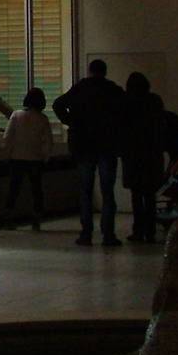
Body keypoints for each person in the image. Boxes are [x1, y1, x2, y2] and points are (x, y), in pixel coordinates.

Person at [53, 58, 126, 247]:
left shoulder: (80, 88)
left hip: (83, 145)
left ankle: (86, 234)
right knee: (107, 191)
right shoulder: (113, 90)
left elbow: (58, 104)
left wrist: (72, 122)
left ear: (90, 70)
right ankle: (108, 234)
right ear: (105, 71)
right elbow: (124, 112)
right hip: (107, 145)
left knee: (85, 191)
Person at [120, 71, 166, 243]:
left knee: (136, 195)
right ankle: (150, 230)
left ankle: (138, 229)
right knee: (150, 196)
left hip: (133, 155)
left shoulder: (127, 103)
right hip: (152, 155)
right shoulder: (155, 101)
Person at [3, 87, 53, 230]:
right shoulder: (43, 119)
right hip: (36, 160)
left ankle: (8, 217)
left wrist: (9, 154)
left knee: (14, 189)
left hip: (17, 158)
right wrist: (46, 157)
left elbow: (7, 137)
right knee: (36, 190)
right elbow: (48, 142)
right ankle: (36, 220)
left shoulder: (16, 115)